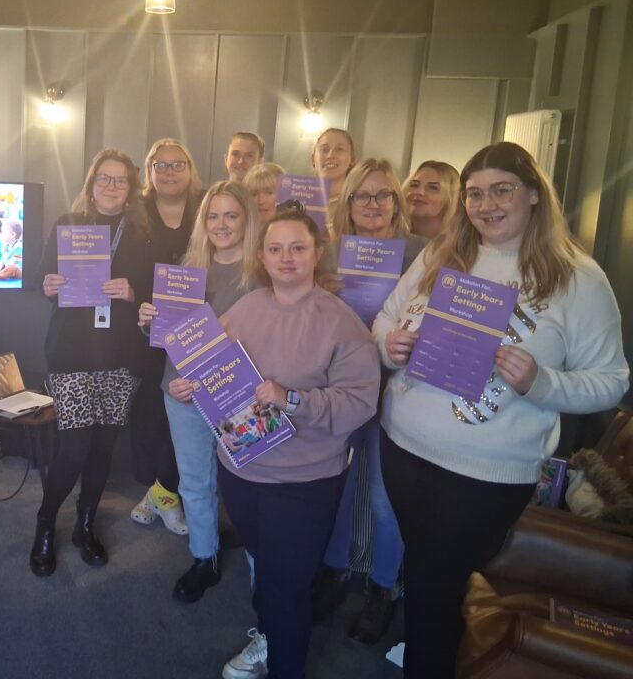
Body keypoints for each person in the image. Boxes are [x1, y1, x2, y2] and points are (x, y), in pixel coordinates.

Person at [374, 142, 629, 678]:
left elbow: (611, 382)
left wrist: (541, 382)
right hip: (402, 449)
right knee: (428, 581)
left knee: (434, 590)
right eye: (474, 193)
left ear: (534, 194)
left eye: (502, 190)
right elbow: (387, 317)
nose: (486, 204)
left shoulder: (578, 277)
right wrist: (389, 345)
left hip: (481, 477)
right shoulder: (442, 251)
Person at [207, 207, 379, 679]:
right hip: (241, 470)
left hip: (303, 482)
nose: (286, 258)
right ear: (261, 256)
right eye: (275, 248)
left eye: (298, 248)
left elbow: (360, 403)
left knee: (286, 590)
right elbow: (213, 368)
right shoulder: (245, 308)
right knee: (269, 573)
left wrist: (294, 400)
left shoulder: (341, 323)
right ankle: (269, 637)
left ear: (317, 253)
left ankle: (284, 663)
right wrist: (192, 384)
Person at [311, 159, 427, 643]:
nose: (373, 204)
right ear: (349, 202)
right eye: (362, 195)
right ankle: (334, 570)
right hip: (339, 385)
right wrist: (318, 291)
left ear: (397, 203)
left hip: (394, 389)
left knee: (383, 498)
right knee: (336, 487)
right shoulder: (328, 253)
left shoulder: (421, 254)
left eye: (383, 195)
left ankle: (383, 587)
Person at [30, 149, 153, 577]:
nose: (111, 186)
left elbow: (155, 295)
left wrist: (134, 293)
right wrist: (48, 285)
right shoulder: (68, 224)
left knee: (103, 447)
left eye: (120, 180)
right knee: (76, 447)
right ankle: (46, 521)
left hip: (120, 355)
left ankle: (85, 523)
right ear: (91, 183)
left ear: (131, 188)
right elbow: (41, 279)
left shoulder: (142, 235)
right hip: (71, 352)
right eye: (104, 178)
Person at [138, 181, 259, 603]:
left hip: (239, 398)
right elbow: (173, 337)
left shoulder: (263, 273)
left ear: (247, 220)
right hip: (182, 393)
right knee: (193, 483)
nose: (221, 225)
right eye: (213, 216)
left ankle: (263, 571)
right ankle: (204, 557)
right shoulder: (185, 269)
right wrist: (148, 321)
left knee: (250, 486)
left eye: (231, 215)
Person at [128, 138, 205, 535]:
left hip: (198, 330)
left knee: (188, 410)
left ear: (190, 170)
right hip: (147, 328)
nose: (170, 171)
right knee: (151, 415)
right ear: (150, 171)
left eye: (178, 164)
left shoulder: (206, 208)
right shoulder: (135, 209)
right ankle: (159, 489)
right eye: (161, 165)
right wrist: (136, 302)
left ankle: (164, 494)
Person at [311, 128, 356, 233]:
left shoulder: (359, 203)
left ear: (352, 160)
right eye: (324, 150)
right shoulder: (298, 201)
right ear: (313, 159)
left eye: (339, 149)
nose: (330, 155)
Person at [403, 159, 459, 239]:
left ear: (450, 198)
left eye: (433, 188)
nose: (419, 192)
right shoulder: (390, 238)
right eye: (414, 185)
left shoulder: (459, 244)